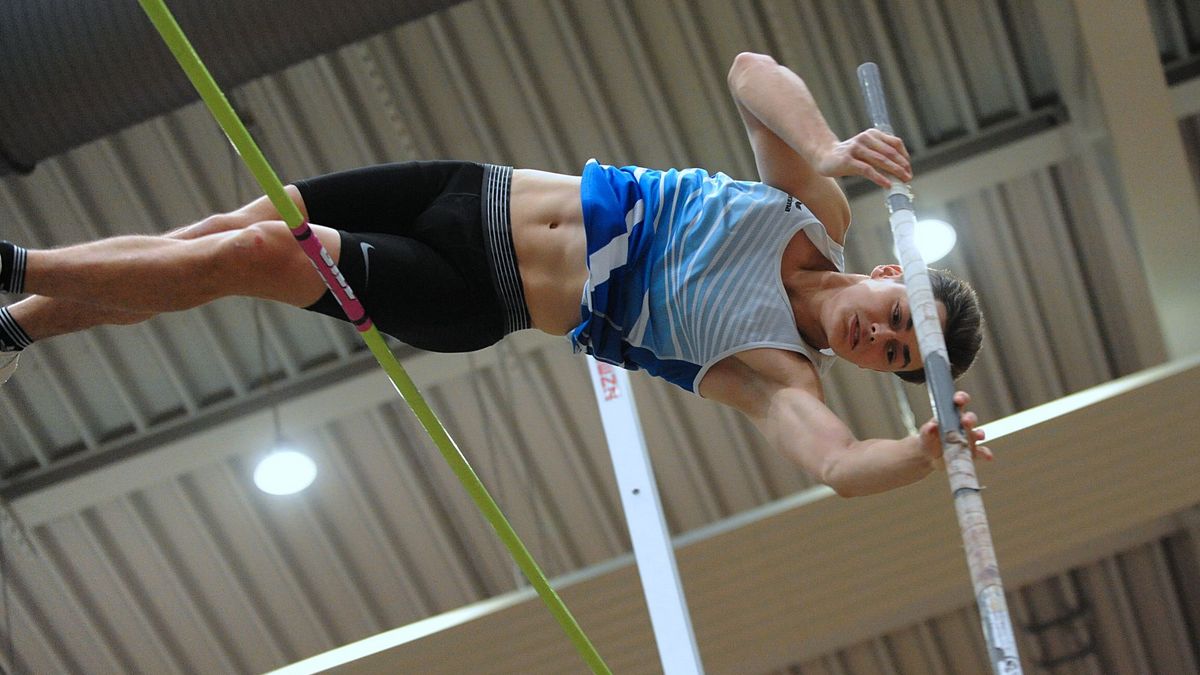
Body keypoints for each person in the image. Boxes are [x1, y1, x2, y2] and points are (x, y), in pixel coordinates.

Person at [0, 52, 989, 497]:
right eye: (900, 315)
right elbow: (748, 70)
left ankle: (10, 271)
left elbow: (836, 467)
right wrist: (826, 146)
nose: (882, 337)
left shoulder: (780, 375)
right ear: (886, 272)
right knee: (222, 233)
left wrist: (918, 454)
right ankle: (19, 325)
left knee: (251, 257)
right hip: (470, 191)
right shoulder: (814, 210)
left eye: (897, 356)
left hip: (471, 292)